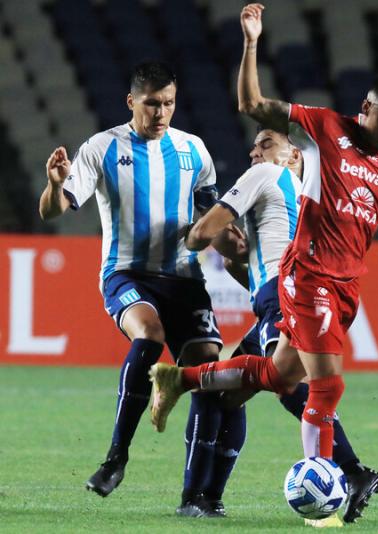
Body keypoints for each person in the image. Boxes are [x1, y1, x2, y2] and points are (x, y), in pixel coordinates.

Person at [148, 2, 378, 523]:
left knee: (279, 377)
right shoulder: (322, 128)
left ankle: (181, 381)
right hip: (308, 277)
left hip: (346, 286)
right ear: (364, 107)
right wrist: (252, 41)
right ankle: (321, 497)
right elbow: (250, 102)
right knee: (327, 385)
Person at [39, 61, 232, 516]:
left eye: (167, 104)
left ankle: (195, 499)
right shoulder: (102, 148)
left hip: (184, 278)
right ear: (132, 102)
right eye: (151, 104)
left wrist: (237, 245)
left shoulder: (194, 150)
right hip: (126, 273)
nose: (160, 113)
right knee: (149, 334)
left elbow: (211, 220)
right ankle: (116, 458)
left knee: (208, 374)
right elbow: (54, 210)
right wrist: (52, 185)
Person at [183, 126, 378, 526]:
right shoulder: (311, 197)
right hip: (310, 295)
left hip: (283, 294)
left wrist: (195, 233)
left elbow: (201, 236)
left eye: (267, 144)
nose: (255, 151)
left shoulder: (264, 176)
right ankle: (205, 499)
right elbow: (252, 271)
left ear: (294, 156)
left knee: (277, 381)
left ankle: (350, 470)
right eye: (253, 144)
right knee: (226, 394)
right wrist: (241, 252)